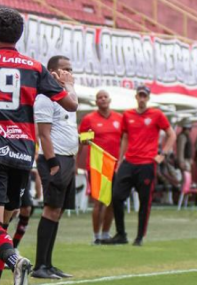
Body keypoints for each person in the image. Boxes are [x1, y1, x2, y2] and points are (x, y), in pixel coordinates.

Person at [0, 9, 78, 285]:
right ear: (19, 36)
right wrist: (68, 84)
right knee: (0, 229)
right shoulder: (35, 68)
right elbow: (71, 105)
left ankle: (16, 261)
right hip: (22, 155)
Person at [106, 86, 176, 246]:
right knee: (116, 197)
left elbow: (172, 134)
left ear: (148, 98)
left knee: (145, 201)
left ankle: (139, 237)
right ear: (136, 97)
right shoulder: (128, 115)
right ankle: (121, 234)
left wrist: (162, 154)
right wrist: (120, 159)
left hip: (147, 164)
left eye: (145, 96)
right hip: (129, 161)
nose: (142, 98)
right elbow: (124, 137)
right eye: (140, 95)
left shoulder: (156, 114)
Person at [33, 55, 78, 280]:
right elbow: (44, 134)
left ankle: (49, 264)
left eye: (71, 69)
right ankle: (40, 264)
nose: (69, 73)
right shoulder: (45, 97)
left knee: (57, 212)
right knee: (50, 209)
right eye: (65, 69)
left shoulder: (66, 96)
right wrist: (52, 164)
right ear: (52, 73)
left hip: (69, 159)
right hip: (55, 160)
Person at [78, 90, 122, 245]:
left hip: (115, 165)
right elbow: (82, 142)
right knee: (98, 202)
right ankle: (96, 235)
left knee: (112, 201)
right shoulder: (89, 119)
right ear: (96, 102)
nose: (103, 99)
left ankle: (105, 234)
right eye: (99, 98)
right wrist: (77, 162)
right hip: (96, 165)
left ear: (110, 100)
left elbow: (125, 140)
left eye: (105, 97)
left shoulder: (119, 118)